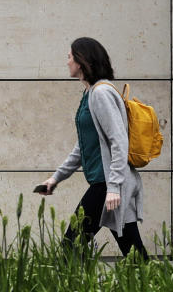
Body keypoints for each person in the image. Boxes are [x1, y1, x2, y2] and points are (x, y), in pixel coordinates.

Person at [39, 37, 148, 259]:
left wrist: (114, 187)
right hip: (106, 184)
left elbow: (119, 141)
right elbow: (83, 147)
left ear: (81, 61)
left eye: (70, 56)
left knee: (71, 245)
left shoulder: (101, 93)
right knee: (134, 251)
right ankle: (159, 290)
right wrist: (55, 178)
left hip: (107, 185)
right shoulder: (90, 94)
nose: (67, 61)